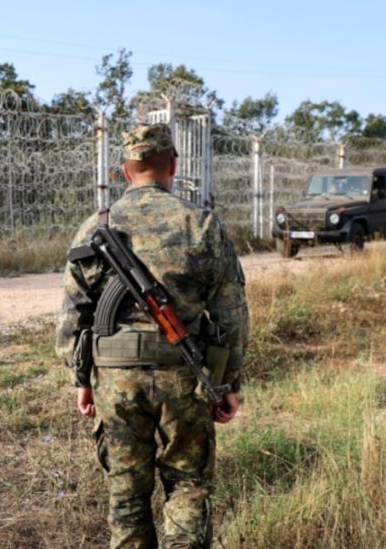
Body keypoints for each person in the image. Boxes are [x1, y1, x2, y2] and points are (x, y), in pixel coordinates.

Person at [55, 124, 249, 548]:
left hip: (115, 380)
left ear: (126, 170)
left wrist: (82, 380)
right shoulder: (201, 223)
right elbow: (231, 314)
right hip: (185, 377)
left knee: (127, 492)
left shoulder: (95, 226)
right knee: (188, 484)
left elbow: (73, 316)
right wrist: (228, 383)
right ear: (173, 166)